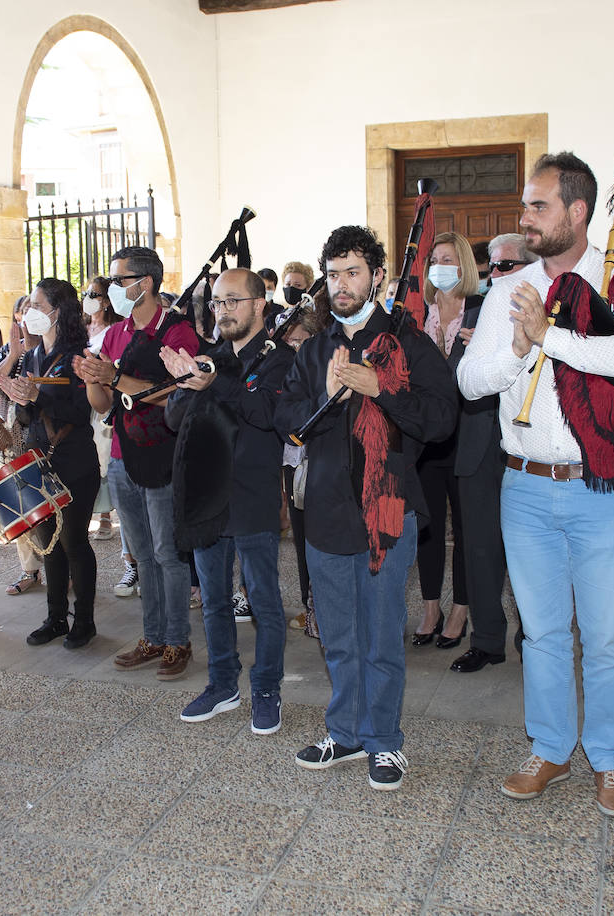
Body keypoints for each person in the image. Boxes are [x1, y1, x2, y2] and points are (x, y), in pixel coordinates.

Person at [457, 152, 614, 816]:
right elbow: (469, 380)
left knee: (605, 635)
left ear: (577, 211)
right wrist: (518, 349)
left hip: (605, 488)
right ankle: (550, 749)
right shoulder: (508, 288)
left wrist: (551, 336)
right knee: (542, 633)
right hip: (525, 488)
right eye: (525, 206)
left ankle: (609, 761)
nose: (524, 218)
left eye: (538, 206)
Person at [275, 225, 457, 791]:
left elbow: (441, 418)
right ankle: (346, 732)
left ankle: (384, 741)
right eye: (332, 275)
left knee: (381, 633)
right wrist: (329, 397)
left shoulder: (407, 342)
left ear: (378, 275)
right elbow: (285, 417)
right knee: (337, 631)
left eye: (352, 272)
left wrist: (380, 387)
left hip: (386, 510)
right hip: (327, 507)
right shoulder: (316, 348)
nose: (341, 285)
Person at [165, 268, 295, 733]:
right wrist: (184, 383)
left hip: (252, 496)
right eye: (216, 303)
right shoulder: (209, 357)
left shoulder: (278, 359)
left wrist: (212, 383)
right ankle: (223, 683)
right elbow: (176, 420)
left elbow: (267, 414)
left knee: (263, 602)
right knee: (215, 600)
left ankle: (266, 688)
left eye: (232, 301)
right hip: (207, 493)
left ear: (260, 305)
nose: (222, 312)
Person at [75, 245, 199, 680]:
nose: (111, 289)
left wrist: (112, 376)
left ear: (144, 283)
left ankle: (178, 640)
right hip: (123, 454)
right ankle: (153, 636)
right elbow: (104, 402)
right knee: (141, 554)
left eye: (119, 280)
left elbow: (173, 388)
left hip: (163, 455)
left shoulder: (177, 330)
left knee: (168, 553)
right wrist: (94, 379)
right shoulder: (114, 334)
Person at [448, 232, 535, 672]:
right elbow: (456, 385)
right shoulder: (477, 315)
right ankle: (486, 640)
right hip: (479, 448)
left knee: (529, 553)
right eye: (492, 268)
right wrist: (464, 351)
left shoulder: (551, 315)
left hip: (531, 450)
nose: (496, 275)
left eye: (506, 265)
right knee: (479, 550)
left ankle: (533, 638)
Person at [0, 278, 100, 650]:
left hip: (73, 459)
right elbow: (28, 415)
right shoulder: (34, 354)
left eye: (38, 305)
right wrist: (22, 399)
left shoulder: (78, 355)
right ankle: (55, 617)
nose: (30, 312)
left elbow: (80, 409)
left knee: (74, 542)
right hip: (39, 460)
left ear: (58, 311)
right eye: (29, 305)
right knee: (49, 545)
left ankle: (84, 620)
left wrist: (37, 395)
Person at [411, 231, 481, 650]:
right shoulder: (418, 314)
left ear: (465, 266)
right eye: (436, 258)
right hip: (426, 437)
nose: (441, 265)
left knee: (468, 528)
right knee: (428, 526)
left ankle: (461, 609)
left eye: (450, 259)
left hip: (468, 434)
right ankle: (431, 605)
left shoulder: (482, 312)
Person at [0, 295, 45, 597]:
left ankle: (60, 568)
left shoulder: (47, 349)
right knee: (17, 506)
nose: (28, 317)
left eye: (34, 311)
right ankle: (29, 570)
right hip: (8, 440)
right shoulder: (7, 350)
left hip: (38, 439)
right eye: (23, 311)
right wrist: (13, 353)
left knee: (45, 506)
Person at [280, 309, 325, 636]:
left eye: (300, 341)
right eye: (289, 342)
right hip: (292, 462)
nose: (294, 348)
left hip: (321, 464)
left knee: (321, 537)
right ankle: (310, 607)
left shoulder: (323, 367)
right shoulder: (283, 370)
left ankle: (325, 607)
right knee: (300, 538)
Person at [83, 276, 120, 542]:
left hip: (101, 401)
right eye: (87, 293)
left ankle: (106, 516)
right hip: (79, 399)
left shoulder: (112, 331)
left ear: (106, 301)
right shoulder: (80, 329)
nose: (88, 298)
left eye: (94, 294)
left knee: (102, 455)